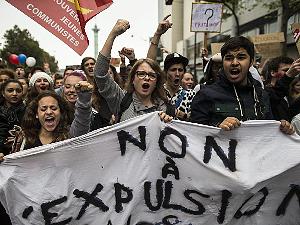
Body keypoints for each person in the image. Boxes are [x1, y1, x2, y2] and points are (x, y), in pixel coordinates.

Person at [190, 36, 294, 135]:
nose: (234, 63)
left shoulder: (262, 95)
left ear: (251, 62)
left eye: (241, 57)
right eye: (229, 58)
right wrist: (217, 128)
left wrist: (281, 129)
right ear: (223, 62)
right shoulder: (205, 94)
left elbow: (267, 132)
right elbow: (194, 136)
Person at [94, 19, 174, 123]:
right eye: (141, 74)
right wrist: (113, 34)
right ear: (132, 79)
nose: (146, 78)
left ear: (156, 82)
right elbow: (100, 74)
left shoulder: (165, 108)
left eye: (152, 76)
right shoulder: (121, 101)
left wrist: (167, 124)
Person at [13, 81, 93, 151]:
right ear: (36, 114)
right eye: (43, 109)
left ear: (60, 112)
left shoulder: (69, 136)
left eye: (53, 108)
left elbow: (82, 120)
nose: (49, 112)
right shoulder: (24, 138)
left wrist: (84, 98)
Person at [147, 15, 195, 121]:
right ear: (165, 72)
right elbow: (149, 65)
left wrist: (179, 114)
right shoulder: (157, 92)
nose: (177, 74)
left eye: (180, 70)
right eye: (173, 70)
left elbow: (198, 120)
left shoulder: (191, 95)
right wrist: (157, 34)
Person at [0, 80, 25, 155]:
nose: (15, 94)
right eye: (10, 91)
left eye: (18, 91)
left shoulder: (29, 112)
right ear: (3, 93)